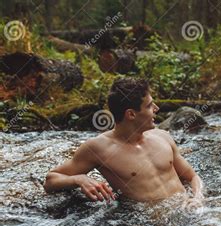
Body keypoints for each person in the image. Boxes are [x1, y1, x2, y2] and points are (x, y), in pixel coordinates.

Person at [43, 77, 204, 203]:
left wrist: (197, 199)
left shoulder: (162, 136)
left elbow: (192, 177)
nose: (156, 109)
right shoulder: (98, 148)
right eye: (149, 106)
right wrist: (79, 179)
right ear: (131, 114)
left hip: (188, 212)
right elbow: (51, 180)